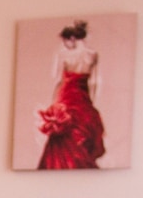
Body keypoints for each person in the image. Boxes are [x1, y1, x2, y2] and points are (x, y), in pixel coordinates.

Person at [37, 20, 105, 169]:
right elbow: (94, 82)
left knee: (63, 134)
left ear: (72, 38)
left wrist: (54, 103)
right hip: (83, 98)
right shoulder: (93, 55)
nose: (65, 44)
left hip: (66, 97)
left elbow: (58, 81)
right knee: (80, 131)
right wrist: (91, 103)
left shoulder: (63, 55)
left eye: (65, 40)